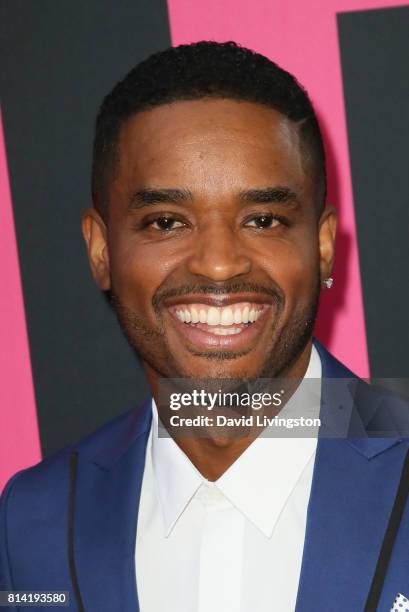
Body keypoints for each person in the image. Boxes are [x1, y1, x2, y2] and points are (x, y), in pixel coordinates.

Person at [1, 41, 408, 612]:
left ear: (320, 246)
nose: (219, 264)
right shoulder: (32, 520)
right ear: (100, 250)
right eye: (166, 222)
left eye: (262, 219)